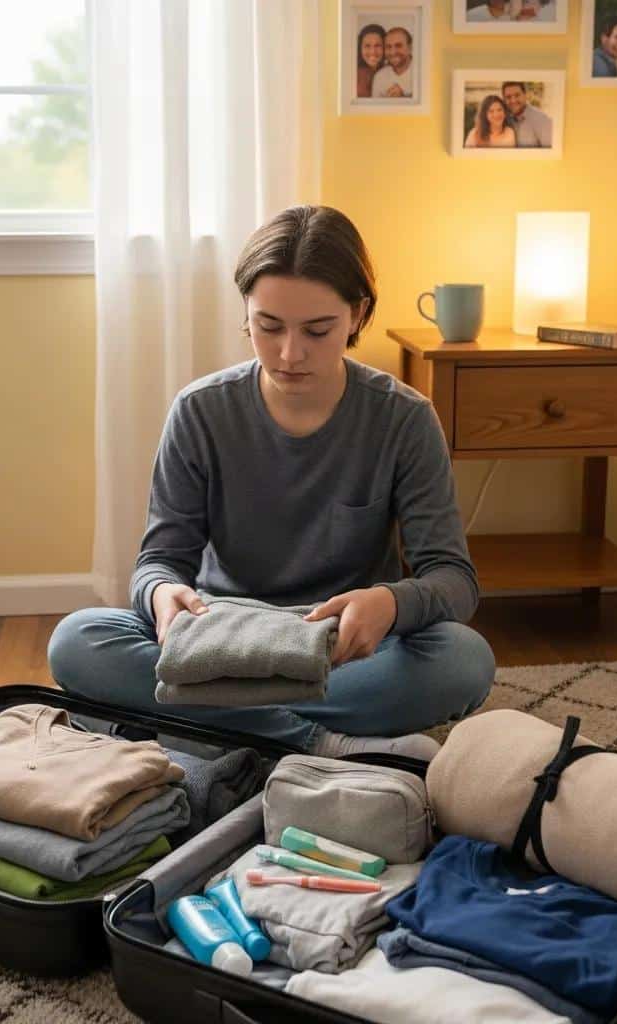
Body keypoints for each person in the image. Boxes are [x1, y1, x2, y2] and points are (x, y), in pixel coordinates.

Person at [48, 206, 495, 760]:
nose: (289, 353)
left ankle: (206, 725)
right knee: (77, 640)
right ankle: (322, 742)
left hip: (340, 652)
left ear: (357, 315)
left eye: (317, 330)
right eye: (268, 326)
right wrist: (163, 594)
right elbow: (159, 561)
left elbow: (454, 579)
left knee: (463, 659)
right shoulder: (200, 411)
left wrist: (390, 601)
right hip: (221, 641)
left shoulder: (404, 418)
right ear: (246, 314)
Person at [501, 81, 552, 148]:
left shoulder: (542, 120)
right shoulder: (504, 120)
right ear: (504, 99)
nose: (513, 100)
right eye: (508, 97)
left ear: (525, 95)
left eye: (517, 95)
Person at [371, 27, 414, 98]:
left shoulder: (423, 72)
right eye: (388, 47)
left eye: (398, 46)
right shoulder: (379, 76)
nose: (393, 52)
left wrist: (404, 98)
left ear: (410, 48)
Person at [356, 23, 386, 98]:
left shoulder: (390, 71)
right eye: (367, 46)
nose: (373, 51)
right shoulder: (354, 74)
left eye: (377, 45)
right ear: (360, 48)